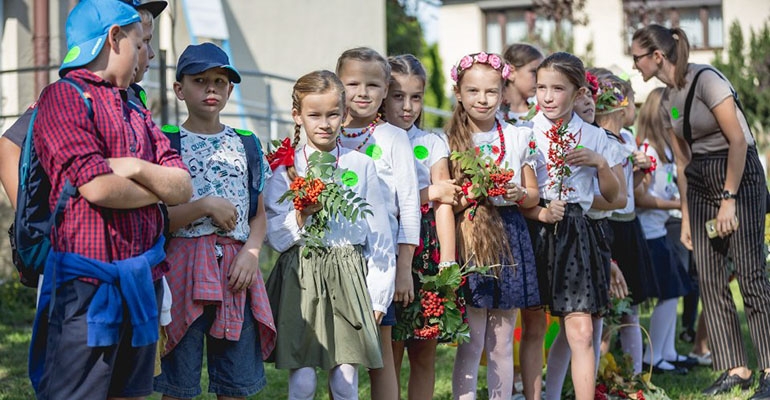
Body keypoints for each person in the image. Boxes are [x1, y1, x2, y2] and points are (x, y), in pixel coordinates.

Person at [28, 0, 192, 398]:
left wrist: (133, 166)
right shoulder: (64, 97)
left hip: (143, 282)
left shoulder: (134, 106)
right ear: (114, 38)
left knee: (130, 392)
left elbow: (182, 187)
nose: (145, 53)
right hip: (86, 290)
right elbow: (98, 187)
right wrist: (157, 190)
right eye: (139, 43)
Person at [632, 24, 770, 399]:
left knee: (750, 274)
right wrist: (688, 218)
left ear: (656, 56)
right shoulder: (667, 100)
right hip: (700, 183)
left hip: (737, 176)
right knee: (708, 277)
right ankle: (737, 368)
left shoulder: (707, 80)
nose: (634, 65)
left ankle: (769, 368)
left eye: (637, 57)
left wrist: (729, 198)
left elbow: (738, 141)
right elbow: (682, 162)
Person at [151, 42, 276, 400]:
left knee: (235, 381)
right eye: (200, 80)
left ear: (230, 90)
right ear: (179, 89)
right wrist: (204, 206)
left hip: (237, 270)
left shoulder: (247, 144)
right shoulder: (165, 143)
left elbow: (259, 214)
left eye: (220, 82)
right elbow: (158, 220)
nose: (211, 89)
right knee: (178, 382)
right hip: (182, 267)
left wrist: (252, 252)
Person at [264, 69, 396, 400]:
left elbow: (379, 236)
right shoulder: (285, 169)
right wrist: (301, 215)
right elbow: (276, 238)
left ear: (344, 113)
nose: (325, 123)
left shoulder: (360, 165)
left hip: (348, 276)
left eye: (333, 114)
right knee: (303, 380)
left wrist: (379, 296)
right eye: (314, 115)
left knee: (345, 380)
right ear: (297, 115)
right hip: (301, 277)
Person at [0, 0, 166, 209]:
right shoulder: (73, 94)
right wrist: (30, 220)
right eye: (142, 42)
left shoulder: (133, 96)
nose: (151, 52)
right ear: (115, 40)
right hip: (84, 224)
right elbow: (9, 146)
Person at [445, 51, 540, 400]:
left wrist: (518, 193)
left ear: (503, 92)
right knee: (472, 340)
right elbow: (446, 201)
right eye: (473, 91)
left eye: (491, 91)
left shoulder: (517, 137)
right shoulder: (447, 140)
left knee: (501, 340)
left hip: (509, 235)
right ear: (458, 93)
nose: (482, 99)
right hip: (470, 235)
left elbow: (533, 195)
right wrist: (473, 193)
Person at [529, 52, 622, 400]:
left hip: (574, 229)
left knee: (582, 331)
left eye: (558, 88)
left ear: (579, 92)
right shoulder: (525, 132)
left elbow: (613, 196)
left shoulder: (595, 136)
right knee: (534, 327)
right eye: (541, 87)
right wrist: (537, 208)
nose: (548, 96)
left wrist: (600, 164)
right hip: (534, 225)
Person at [336, 47, 421, 400]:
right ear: (338, 84)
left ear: (386, 89)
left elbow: (410, 207)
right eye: (353, 83)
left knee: (378, 352)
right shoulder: (327, 132)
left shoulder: (393, 138)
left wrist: (404, 269)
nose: (363, 92)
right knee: (340, 354)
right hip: (335, 258)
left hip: (379, 261)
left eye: (373, 85)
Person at [384, 54, 459, 400]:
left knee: (424, 350)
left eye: (416, 97)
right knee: (390, 349)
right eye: (398, 96)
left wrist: (448, 261)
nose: (408, 106)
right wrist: (429, 192)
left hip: (426, 248)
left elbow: (445, 204)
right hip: (387, 245)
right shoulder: (372, 142)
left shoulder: (431, 142)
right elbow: (384, 201)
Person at [635, 87, 694, 374]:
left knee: (676, 289)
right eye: (670, 110)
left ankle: (667, 351)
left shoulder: (667, 150)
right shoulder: (647, 151)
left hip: (660, 229)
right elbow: (641, 198)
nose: (675, 115)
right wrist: (678, 204)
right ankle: (653, 356)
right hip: (648, 231)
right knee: (669, 292)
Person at [501, 44, 543, 127]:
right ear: (511, 73)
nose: (539, 79)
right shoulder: (494, 112)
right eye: (534, 72)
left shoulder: (542, 111)